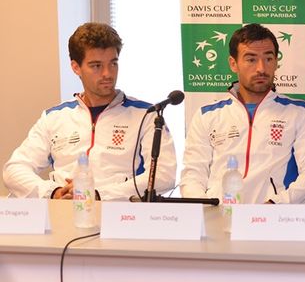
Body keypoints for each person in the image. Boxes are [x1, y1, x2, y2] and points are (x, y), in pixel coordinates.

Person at [3, 22, 176, 200]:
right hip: (63, 213)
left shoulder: (146, 115)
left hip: (121, 217)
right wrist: (53, 192)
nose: (108, 73)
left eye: (113, 63)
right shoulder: (54, 117)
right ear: (76, 67)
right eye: (96, 66)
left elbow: (163, 176)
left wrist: (97, 194)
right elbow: (14, 169)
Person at [180, 23, 305, 204]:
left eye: (269, 59)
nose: (261, 69)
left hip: (276, 221)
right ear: (233, 64)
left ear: (276, 62)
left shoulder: (300, 112)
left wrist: (278, 204)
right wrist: (205, 208)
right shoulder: (207, 115)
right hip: (221, 218)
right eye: (251, 59)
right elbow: (192, 174)